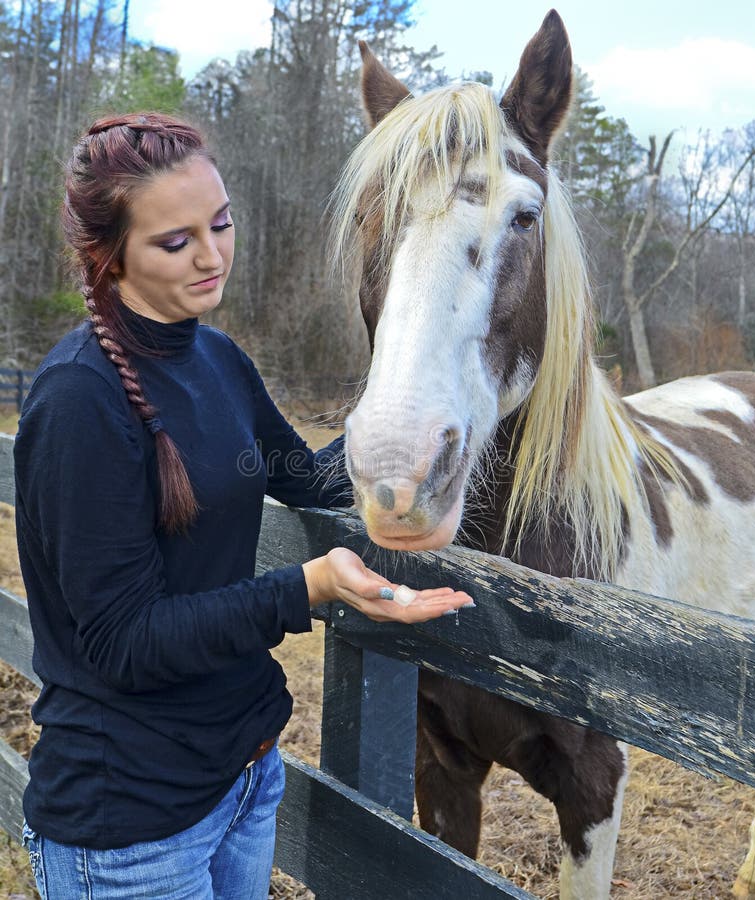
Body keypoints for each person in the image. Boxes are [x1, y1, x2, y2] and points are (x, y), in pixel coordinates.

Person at [13, 112, 472, 900]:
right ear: (108, 252)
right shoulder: (79, 402)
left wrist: (408, 412)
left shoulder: (218, 357)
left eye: (220, 224)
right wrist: (310, 587)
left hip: (243, 779)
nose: (211, 254)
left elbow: (307, 476)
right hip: (130, 824)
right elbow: (125, 641)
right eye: (174, 240)